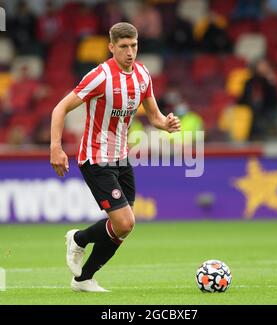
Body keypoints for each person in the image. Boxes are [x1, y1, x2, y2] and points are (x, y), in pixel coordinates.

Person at [50, 22, 181, 292]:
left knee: (123, 227)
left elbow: (154, 115)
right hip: (96, 158)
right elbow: (60, 108)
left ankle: (83, 278)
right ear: (111, 47)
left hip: (121, 158)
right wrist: (56, 147)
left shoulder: (143, 74)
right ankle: (78, 239)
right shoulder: (100, 76)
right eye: (123, 47)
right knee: (125, 221)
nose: (130, 52)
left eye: (133, 46)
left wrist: (164, 124)